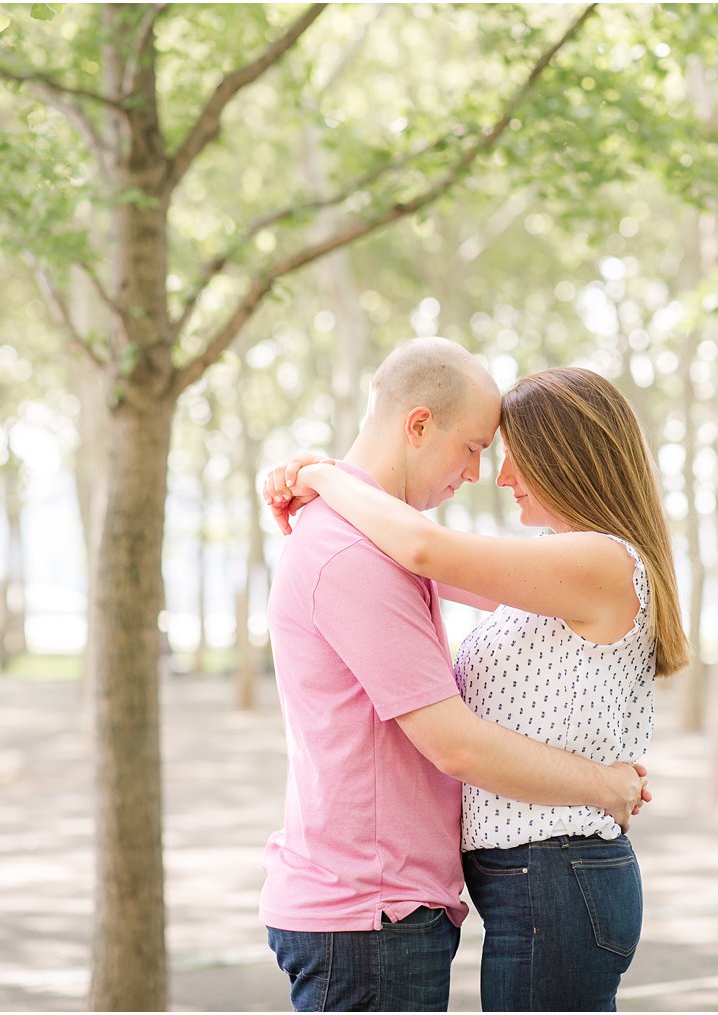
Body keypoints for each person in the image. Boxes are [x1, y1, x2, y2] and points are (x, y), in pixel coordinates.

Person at [267, 365, 687, 1012]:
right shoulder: (553, 563)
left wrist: (320, 476)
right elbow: (411, 557)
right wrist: (332, 491)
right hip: (531, 878)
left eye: (512, 457)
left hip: (557, 872)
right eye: (479, 449)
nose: (499, 476)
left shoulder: (600, 561)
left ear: (565, 461)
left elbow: (426, 550)